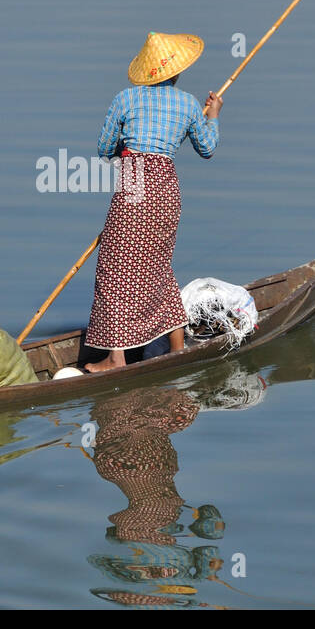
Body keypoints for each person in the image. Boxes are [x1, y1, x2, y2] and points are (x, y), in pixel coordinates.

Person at [83, 31, 222, 373]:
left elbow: (104, 149)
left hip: (134, 185)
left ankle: (116, 359)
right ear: (176, 71)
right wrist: (212, 115)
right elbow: (207, 149)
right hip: (166, 190)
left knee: (115, 267)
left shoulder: (125, 99)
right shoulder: (189, 104)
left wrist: (125, 151)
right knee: (157, 264)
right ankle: (176, 347)